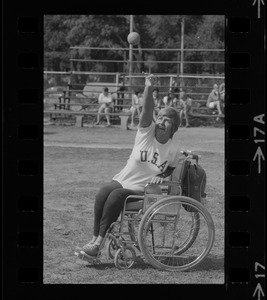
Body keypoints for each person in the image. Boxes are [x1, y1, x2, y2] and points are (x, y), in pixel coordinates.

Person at [79, 74, 181, 258]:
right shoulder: (146, 132)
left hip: (145, 190)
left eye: (167, 120)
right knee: (103, 192)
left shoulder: (173, 148)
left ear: (173, 128)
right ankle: (94, 239)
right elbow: (147, 111)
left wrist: (163, 176)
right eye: (160, 117)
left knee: (116, 196)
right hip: (124, 179)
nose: (160, 122)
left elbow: (172, 167)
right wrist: (148, 88)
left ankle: (98, 245)